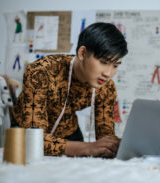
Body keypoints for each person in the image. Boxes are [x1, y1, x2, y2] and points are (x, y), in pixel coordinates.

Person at [11, 22, 128, 158]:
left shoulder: (106, 87)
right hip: (27, 133)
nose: (108, 73)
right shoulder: (40, 72)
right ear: (82, 53)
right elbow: (34, 139)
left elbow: (105, 138)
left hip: (69, 133)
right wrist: (87, 148)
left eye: (115, 65)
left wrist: (115, 146)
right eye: (104, 62)